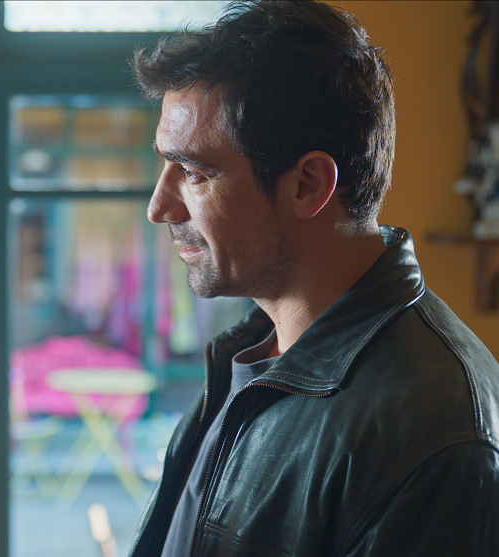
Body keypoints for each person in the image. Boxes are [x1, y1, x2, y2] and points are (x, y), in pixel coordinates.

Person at [127, 2, 499, 556]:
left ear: (308, 184)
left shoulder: (435, 431)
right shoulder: (249, 354)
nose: (159, 208)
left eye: (195, 172)